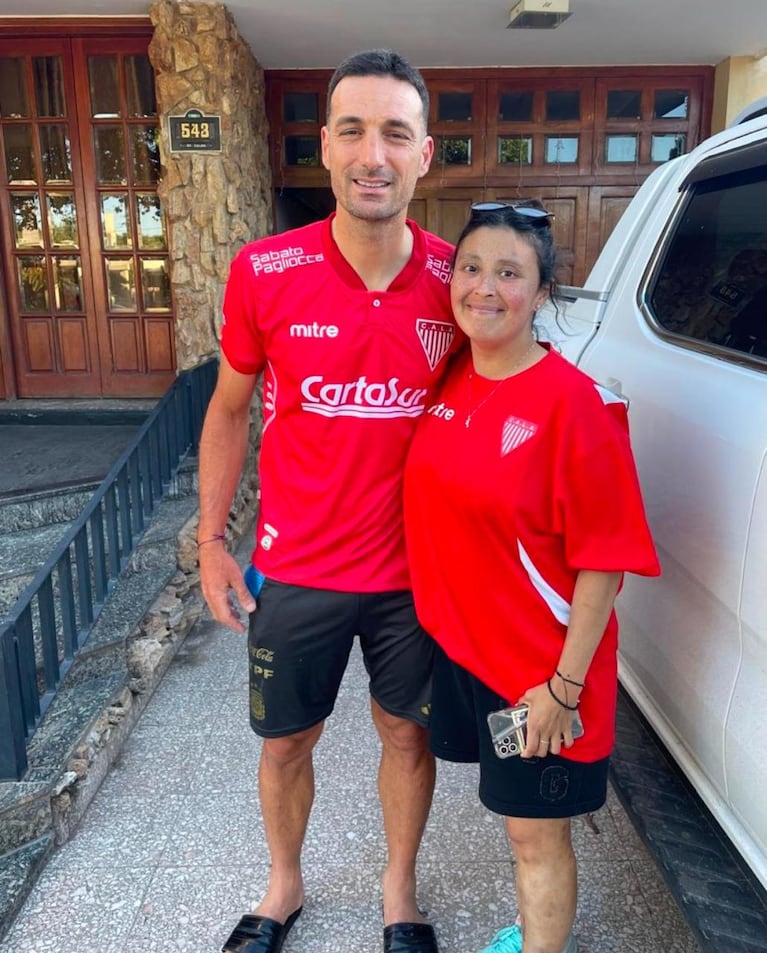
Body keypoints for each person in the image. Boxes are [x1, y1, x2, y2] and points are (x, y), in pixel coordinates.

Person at [197, 49, 459, 953]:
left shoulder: (460, 283)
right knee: (284, 746)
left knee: (407, 739)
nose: (372, 153)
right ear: (325, 147)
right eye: (353, 129)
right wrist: (210, 543)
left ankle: (398, 892)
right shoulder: (265, 271)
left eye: (395, 131)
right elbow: (228, 411)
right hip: (295, 567)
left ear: (426, 152)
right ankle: (283, 884)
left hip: (414, 576)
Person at [403, 202, 661, 953]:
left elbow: (604, 562)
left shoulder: (575, 406)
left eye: (509, 273)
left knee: (534, 839)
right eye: (471, 268)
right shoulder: (452, 375)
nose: (484, 287)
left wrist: (562, 689)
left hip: (539, 676)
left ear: (543, 293)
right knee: (516, 825)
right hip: (466, 652)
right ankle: (535, 930)